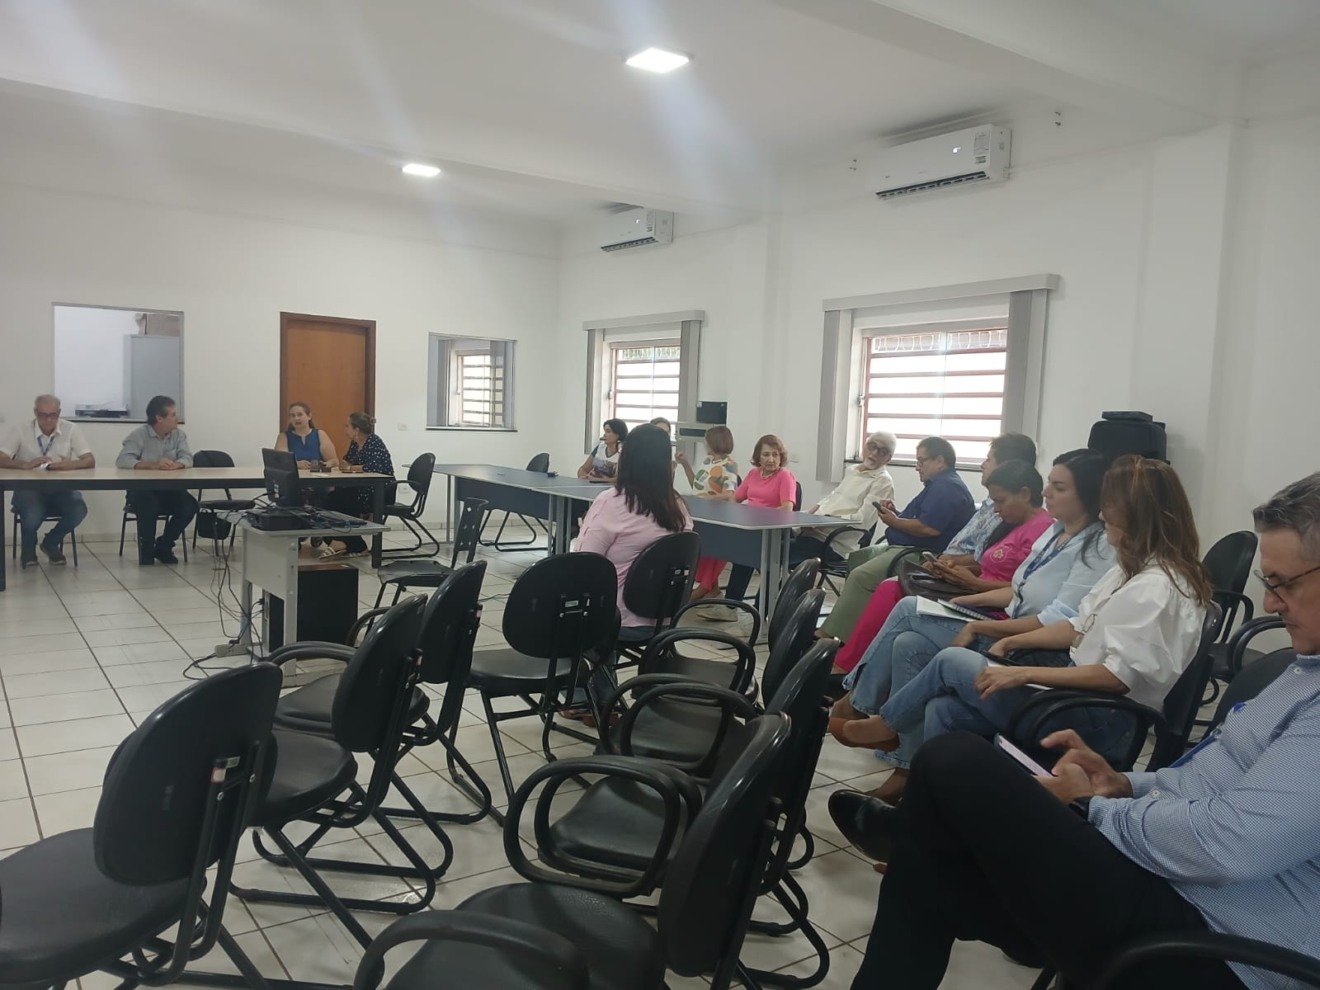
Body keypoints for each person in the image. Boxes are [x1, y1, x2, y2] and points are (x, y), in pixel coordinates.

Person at [842, 472, 1320, 990]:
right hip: (1174, 884)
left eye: (1283, 583)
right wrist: (1125, 784)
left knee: (953, 765)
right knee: (936, 858)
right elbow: (1205, 785)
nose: (1271, 604)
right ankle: (932, 842)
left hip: (1216, 941)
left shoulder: (1168, 590)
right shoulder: (1303, 669)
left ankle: (924, 833)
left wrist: (1096, 811)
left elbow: (1230, 845)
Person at [830, 455, 1211, 792]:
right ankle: (924, 815)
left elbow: (1115, 678)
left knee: (950, 661)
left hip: (1100, 718)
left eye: (1109, 505)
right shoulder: (1130, 572)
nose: (1102, 513)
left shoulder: (1158, 587)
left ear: (1137, 513)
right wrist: (1006, 644)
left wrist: (1018, 672)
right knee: (939, 710)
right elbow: (1077, 626)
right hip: (1067, 691)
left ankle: (886, 724)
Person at [832, 458, 1052, 674]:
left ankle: (847, 668)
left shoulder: (1040, 530)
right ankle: (858, 685)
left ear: (1024, 494)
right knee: (907, 641)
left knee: (899, 598)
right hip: (969, 590)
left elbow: (1022, 590)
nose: (996, 509)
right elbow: (984, 564)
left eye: (1001, 501)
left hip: (988, 609)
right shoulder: (1010, 523)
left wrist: (972, 584)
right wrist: (953, 566)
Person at [817, 436, 976, 640]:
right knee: (857, 558)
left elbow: (928, 529)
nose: (917, 467)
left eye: (921, 461)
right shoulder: (938, 484)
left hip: (921, 555)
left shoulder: (947, 487)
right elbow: (921, 520)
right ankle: (856, 627)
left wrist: (893, 521)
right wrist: (898, 515)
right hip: (905, 545)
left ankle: (830, 636)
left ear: (940, 460)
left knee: (861, 575)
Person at [0, 394, 94, 567]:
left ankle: (50, 542)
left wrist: (68, 465)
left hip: (60, 487)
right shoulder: (21, 429)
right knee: (33, 512)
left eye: (53, 415)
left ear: (59, 413)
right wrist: (25, 464)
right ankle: (28, 550)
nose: (49, 420)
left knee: (79, 509)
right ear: (35, 412)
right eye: (43, 415)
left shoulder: (70, 428)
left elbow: (89, 459)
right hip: (28, 488)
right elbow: (1, 457)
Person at [790, 431, 897, 565]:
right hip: (812, 531)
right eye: (872, 446)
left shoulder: (883, 482)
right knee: (767, 540)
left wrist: (822, 521)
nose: (874, 453)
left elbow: (862, 521)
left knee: (776, 553)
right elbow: (832, 497)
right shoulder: (852, 470)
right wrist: (810, 515)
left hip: (832, 543)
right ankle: (774, 583)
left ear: (888, 458)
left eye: (882, 451)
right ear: (864, 446)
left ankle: (779, 584)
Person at [718, 434, 797, 609]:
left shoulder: (785, 476)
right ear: (758, 457)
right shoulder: (753, 474)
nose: (771, 459)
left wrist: (758, 517)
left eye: (775, 455)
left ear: (781, 457)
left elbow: (787, 509)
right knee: (742, 554)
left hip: (775, 531)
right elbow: (735, 498)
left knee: (748, 552)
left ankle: (757, 607)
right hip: (752, 529)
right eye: (766, 454)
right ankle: (730, 607)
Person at [115, 395, 196, 565]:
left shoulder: (179, 436)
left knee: (190, 505)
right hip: (142, 491)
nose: (177, 419)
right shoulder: (139, 435)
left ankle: (164, 545)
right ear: (159, 418)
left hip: (169, 490)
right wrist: (152, 465)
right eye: (173, 415)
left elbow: (188, 457)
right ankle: (147, 550)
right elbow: (123, 460)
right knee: (148, 504)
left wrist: (178, 465)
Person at [318, 412, 395, 558]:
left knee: (339, 501)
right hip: (361, 487)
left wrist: (352, 467)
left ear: (357, 429)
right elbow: (347, 461)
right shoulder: (355, 443)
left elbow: (373, 468)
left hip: (380, 491)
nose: (345, 429)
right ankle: (346, 543)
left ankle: (347, 543)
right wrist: (349, 466)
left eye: (348, 426)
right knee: (331, 499)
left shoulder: (374, 442)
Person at [676, 426, 739, 601]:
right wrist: (685, 464)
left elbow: (729, 493)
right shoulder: (707, 462)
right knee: (702, 552)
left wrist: (707, 499)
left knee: (714, 554)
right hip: (701, 513)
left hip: (719, 516)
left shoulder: (730, 465)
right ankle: (713, 591)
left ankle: (703, 589)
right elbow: (695, 485)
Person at [274, 401, 339, 471]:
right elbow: (279, 462)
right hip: (294, 478)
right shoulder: (283, 437)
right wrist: (296, 464)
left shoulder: (320, 434)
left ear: (309, 416)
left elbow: (334, 461)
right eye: (293, 416)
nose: (296, 418)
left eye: (300, 415)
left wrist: (325, 464)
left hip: (317, 477)